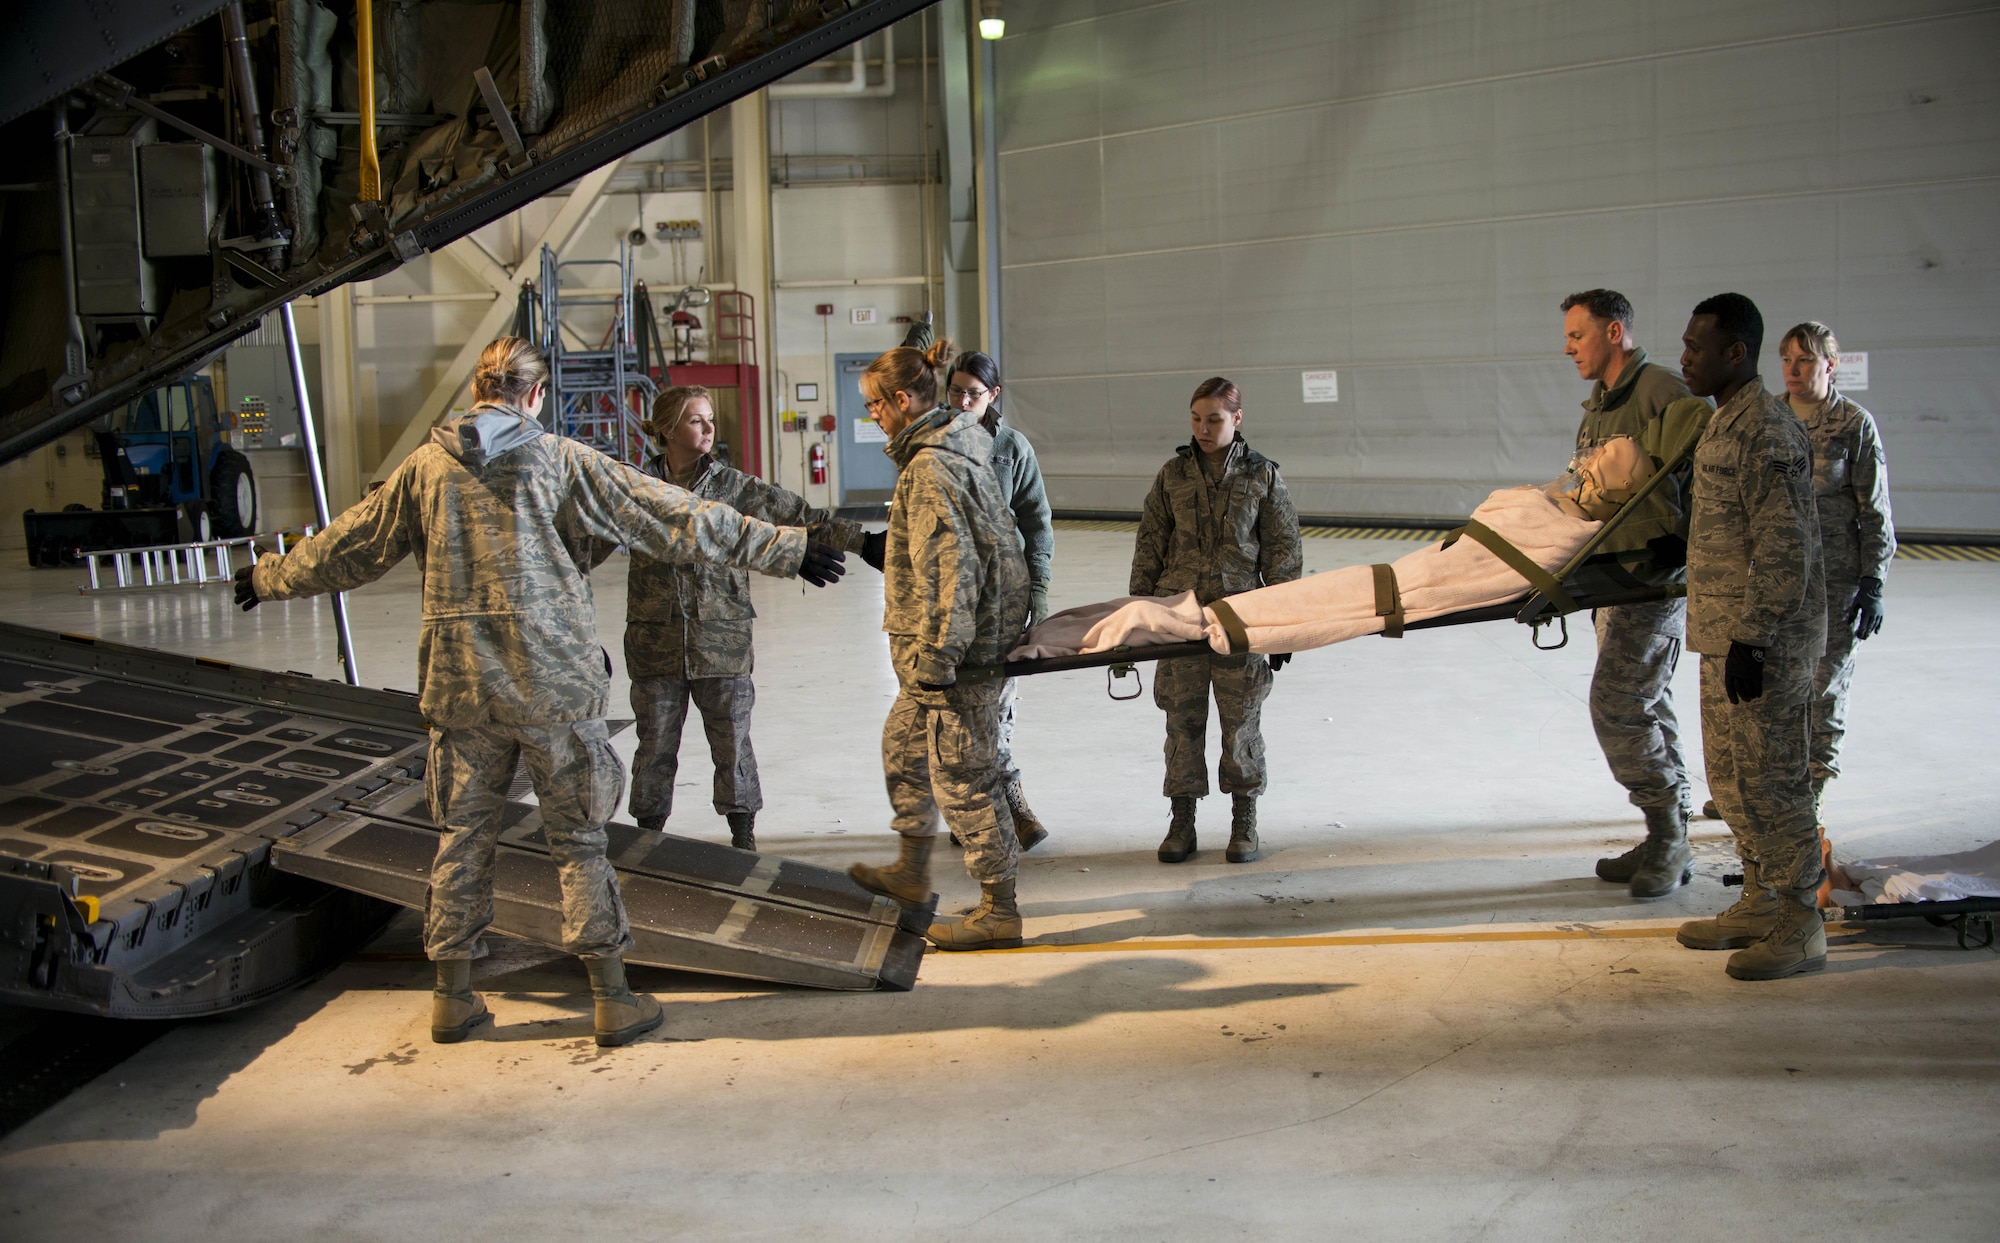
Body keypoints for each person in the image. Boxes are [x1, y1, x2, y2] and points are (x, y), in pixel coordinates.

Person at [233, 338, 848, 1044]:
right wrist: (787, 547)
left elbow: (347, 548)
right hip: (552, 685)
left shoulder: (424, 470)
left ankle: (452, 997)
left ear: (476, 390)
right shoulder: (559, 459)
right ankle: (613, 998)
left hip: (462, 688)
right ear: (534, 395)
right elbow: (676, 514)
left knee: (461, 837)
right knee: (578, 841)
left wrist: (265, 577)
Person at [623, 385, 870, 851]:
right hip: (654, 644)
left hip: (722, 640)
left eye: (709, 418)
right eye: (697, 420)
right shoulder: (636, 488)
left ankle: (742, 835)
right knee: (653, 746)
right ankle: (647, 838)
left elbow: (801, 516)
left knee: (732, 745)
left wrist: (864, 542)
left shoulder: (734, 487)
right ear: (667, 429)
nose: (709, 428)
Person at [847, 337, 1032, 950]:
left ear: (902, 401)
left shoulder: (930, 466)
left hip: (959, 657)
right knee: (903, 747)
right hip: (961, 647)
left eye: (875, 405)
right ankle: (910, 868)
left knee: (963, 776)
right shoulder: (959, 437)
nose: (872, 415)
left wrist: (938, 659)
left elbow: (952, 570)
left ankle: (999, 910)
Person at [1673, 294, 1829, 980]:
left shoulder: (1765, 428)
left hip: (1764, 641)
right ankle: (1762, 898)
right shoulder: (1723, 423)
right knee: (1732, 780)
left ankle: (1801, 923)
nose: (1684, 358)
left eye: (1695, 348)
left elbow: (1785, 547)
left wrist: (1756, 636)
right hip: (1725, 636)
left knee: (1774, 781)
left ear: (1735, 353)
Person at [1560, 289, 1702, 899]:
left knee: (1617, 705)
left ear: (1614, 332)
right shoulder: (1597, 407)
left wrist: (1685, 538)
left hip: (1653, 582)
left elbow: (1705, 474)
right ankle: (1669, 833)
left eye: (1577, 335)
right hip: (1612, 581)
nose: (1567, 347)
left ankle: (1669, 833)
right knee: (1647, 702)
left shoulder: (1662, 394)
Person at [1129, 377, 1302, 865]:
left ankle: (1243, 820)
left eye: (1214, 420)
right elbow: (1150, 545)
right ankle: (1182, 821)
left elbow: (1284, 553)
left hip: (1240, 618)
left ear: (1237, 419)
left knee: (1240, 722)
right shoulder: (1172, 475)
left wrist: (1284, 623)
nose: (1203, 429)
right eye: (1196, 419)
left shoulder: (1262, 476)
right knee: (1181, 722)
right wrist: (1139, 617)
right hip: (1179, 618)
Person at [1776, 321, 1894, 816]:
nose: (1794, 370)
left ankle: (1808, 799)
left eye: (1804, 360)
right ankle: (1771, 791)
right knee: (1776, 692)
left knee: (1822, 692)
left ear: (1830, 364)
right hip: (1779, 583)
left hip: (1836, 584)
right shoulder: (1769, 420)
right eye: (1786, 360)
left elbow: (1875, 508)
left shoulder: (1852, 424)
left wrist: (1873, 582)